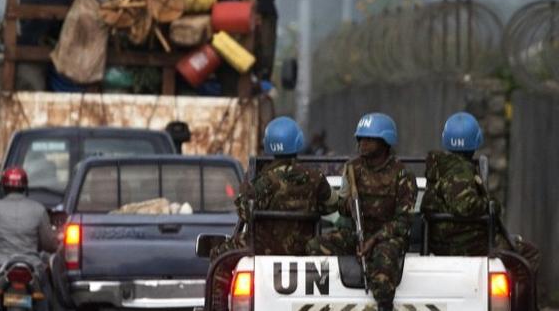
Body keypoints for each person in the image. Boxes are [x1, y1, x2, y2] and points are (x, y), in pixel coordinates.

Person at [209, 116, 337, 309]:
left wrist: (245, 188)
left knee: (219, 256)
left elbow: (244, 213)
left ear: (268, 145)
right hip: (305, 247)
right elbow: (332, 205)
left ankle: (217, 307)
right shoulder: (315, 178)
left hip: (263, 247)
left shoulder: (263, 181)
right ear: (298, 142)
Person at [306, 113, 417, 311]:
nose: (362, 143)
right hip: (357, 233)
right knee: (315, 246)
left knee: (384, 261)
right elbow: (339, 205)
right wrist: (347, 205)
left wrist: (373, 240)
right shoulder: (352, 169)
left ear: (384, 142)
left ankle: (384, 305)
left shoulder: (402, 175)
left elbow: (403, 221)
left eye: (369, 139)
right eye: (360, 139)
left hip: (387, 238)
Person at [421, 112, 540, 268]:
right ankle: (515, 292)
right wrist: (491, 204)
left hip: (441, 241)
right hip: (466, 242)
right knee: (530, 252)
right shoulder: (461, 170)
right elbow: (465, 206)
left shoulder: (439, 168)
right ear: (476, 141)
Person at [0, 167, 56, 311]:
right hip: (32, 268)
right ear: (25, 187)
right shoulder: (39, 210)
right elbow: (49, 244)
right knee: (45, 288)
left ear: (3, 186)